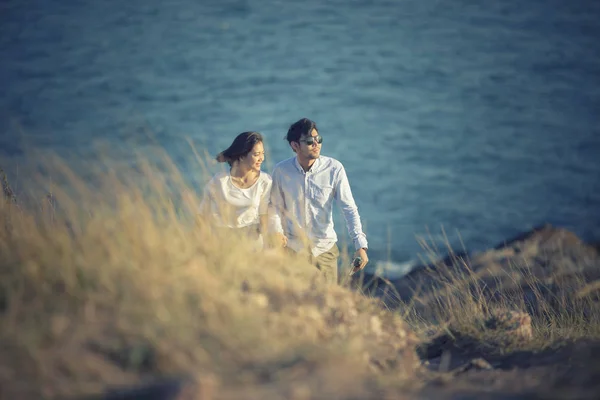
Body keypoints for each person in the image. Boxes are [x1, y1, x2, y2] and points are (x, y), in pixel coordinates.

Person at [270, 118, 369, 284]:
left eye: (318, 139)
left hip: (325, 251)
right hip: (292, 250)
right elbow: (274, 207)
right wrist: (277, 232)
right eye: (309, 141)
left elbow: (349, 209)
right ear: (295, 146)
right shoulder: (281, 171)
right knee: (295, 302)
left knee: (327, 302)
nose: (316, 144)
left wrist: (360, 245)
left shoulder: (334, 168)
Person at [199, 131, 286, 248]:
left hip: (251, 244)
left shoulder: (265, 182)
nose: (261, 158)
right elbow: (202, 214)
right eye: (256, 154)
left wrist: (275, 235)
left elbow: (264, 215)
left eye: (262, 153)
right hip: (222, 243)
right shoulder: (219, 181)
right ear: (241, 156)